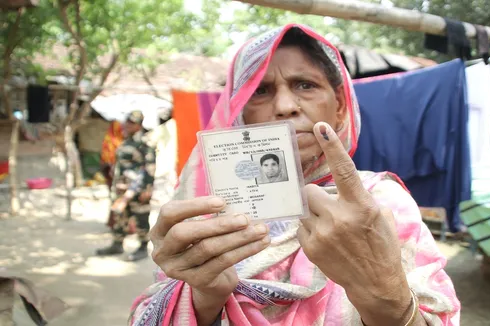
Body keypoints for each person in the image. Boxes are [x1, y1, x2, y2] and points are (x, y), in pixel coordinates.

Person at [130, 25, 460, 325]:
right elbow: (149, 310)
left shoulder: (381, 206)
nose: (286, 105)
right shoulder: (207, 209)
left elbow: (439, 312)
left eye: (306, 85)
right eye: (260, 90)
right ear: (239, 110)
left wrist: (388, 300)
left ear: (340, 106)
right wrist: (204, 296)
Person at [96, 111, 156, 262]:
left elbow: (149, 167)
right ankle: (117, 244)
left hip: (137, 189)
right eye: (127, 122)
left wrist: (147, 189)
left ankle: (142, 247)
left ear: (139, 125)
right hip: (121, 188)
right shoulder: (125, 141)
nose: (127, 125)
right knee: (120, 217)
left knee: (140, 217)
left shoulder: (144, 142)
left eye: (131, 123)